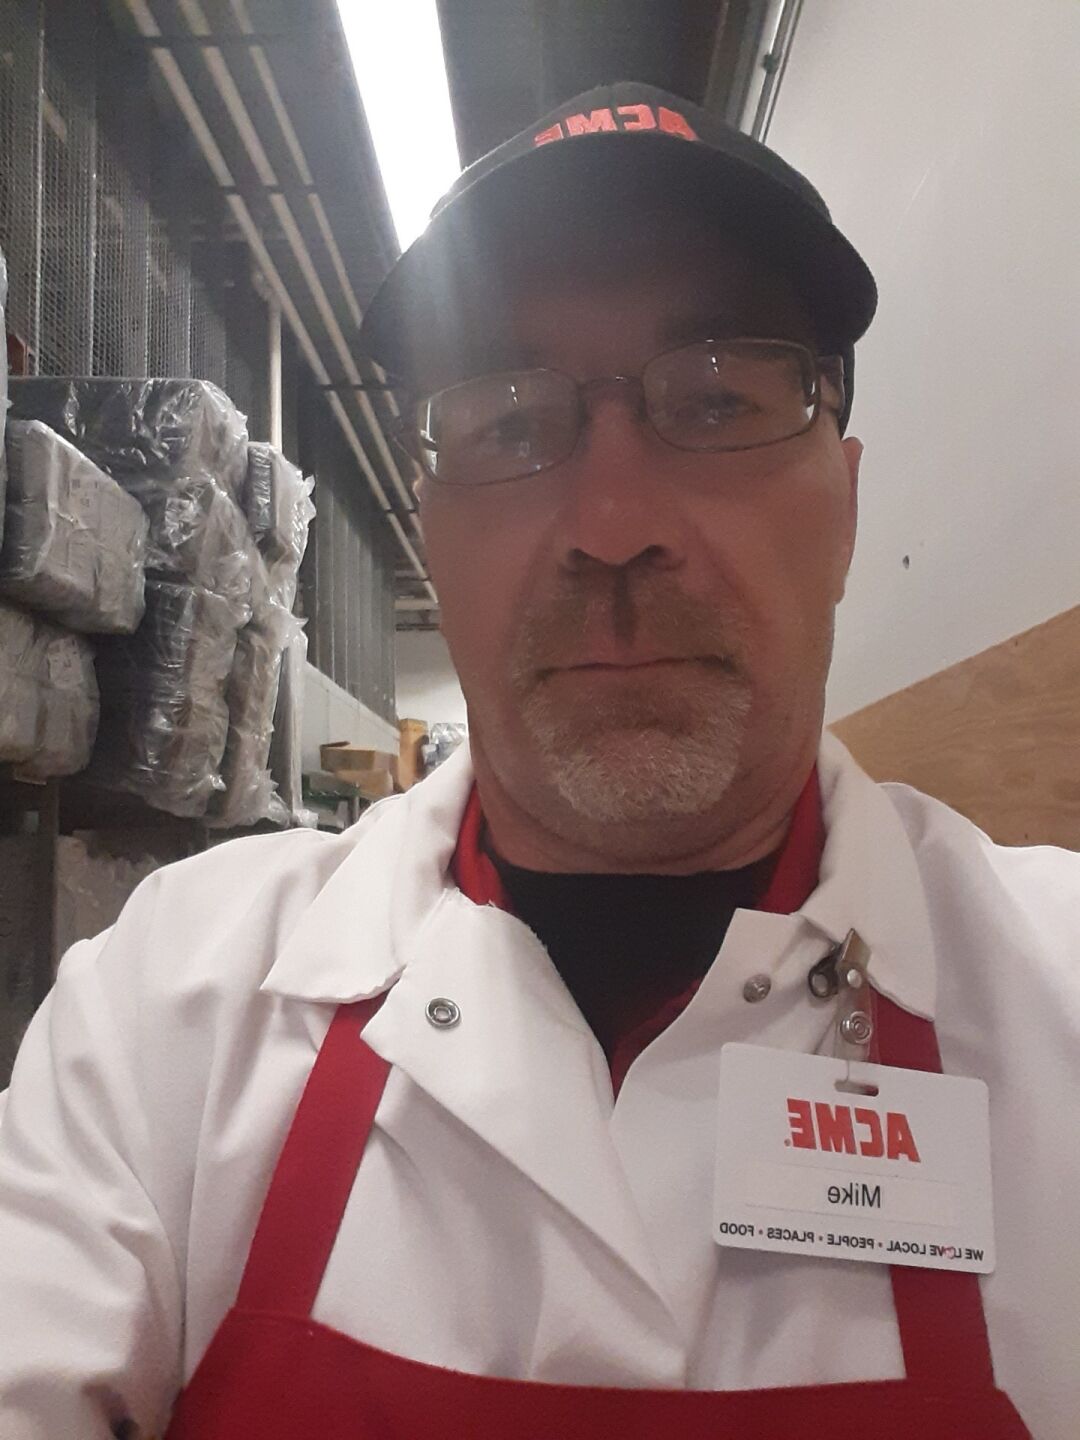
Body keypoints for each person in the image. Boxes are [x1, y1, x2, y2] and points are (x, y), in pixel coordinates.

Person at [0, 81, 1073, 1439]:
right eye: (509, 422)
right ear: (433, 532)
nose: (613, 524)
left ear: (847, 506)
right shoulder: (168, 1007)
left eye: (717, 399)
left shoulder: (1059, 1000)